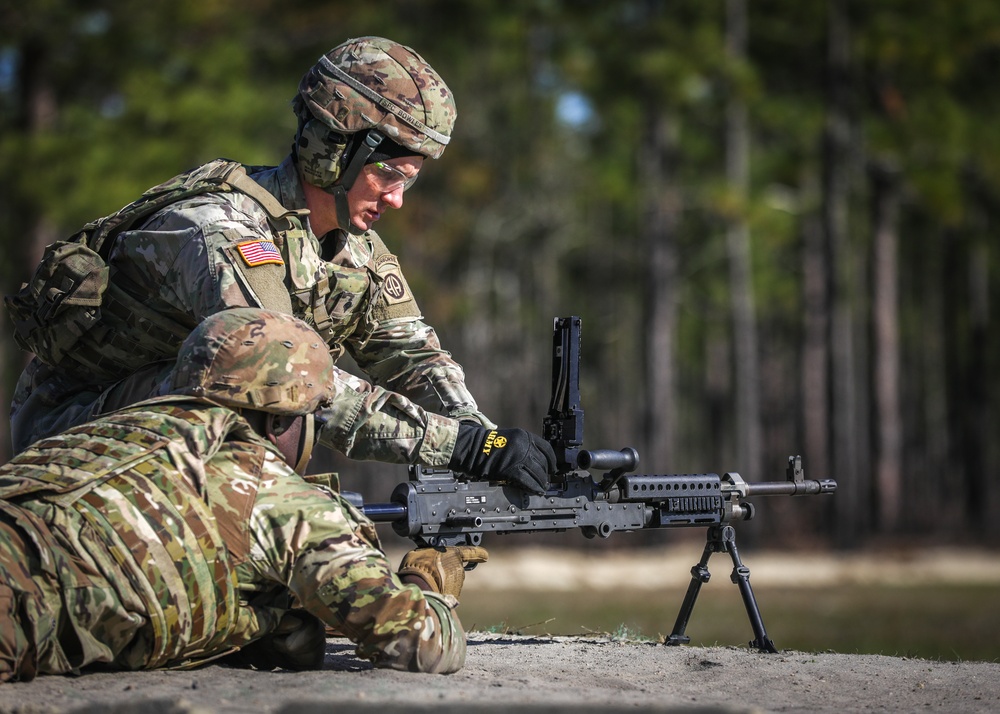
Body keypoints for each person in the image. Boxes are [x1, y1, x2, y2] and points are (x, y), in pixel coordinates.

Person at [6, 36, 555, 496]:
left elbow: (410, 354)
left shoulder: (353, 246)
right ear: (338, 151)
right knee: (267, 394)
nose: (397, 201)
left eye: (409, 181)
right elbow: (285, 376)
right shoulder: (219, 230)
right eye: (390, 175)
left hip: (157, 429)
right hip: (70, 436)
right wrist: (460, 448)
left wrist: (491, 443)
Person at [0, 308, 490, 682]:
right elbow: (421, 644)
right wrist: (428, 588)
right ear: (280, 419)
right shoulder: (273, 492)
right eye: (312, 417)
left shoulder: (102, 430)